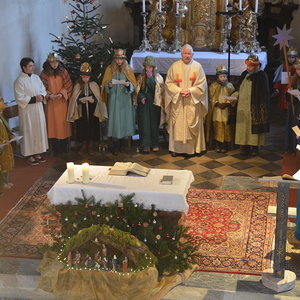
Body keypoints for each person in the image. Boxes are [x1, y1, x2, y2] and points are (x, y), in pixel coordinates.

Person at [164, 44, 208, 157]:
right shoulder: (174, 66)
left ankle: (193, 149)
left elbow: (202, 84)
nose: (187, 56)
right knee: (178, 124)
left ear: (192, 54)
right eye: (185, 53)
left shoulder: (198, 67)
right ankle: (176, 149)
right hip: (178, 101)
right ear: (181, 54)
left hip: (192, 101)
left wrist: (190, 91)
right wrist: (179, 91)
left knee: (192, 122)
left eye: (189, 53)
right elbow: (168, 83)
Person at [232, 54, 270, 156]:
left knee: (253, 126)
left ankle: (255, 147)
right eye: (248, 66)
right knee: (243, 126)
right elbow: (238, 88)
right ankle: (244, 146)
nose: (248, 68)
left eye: (251, 66)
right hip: (243, 105)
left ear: (256, 66)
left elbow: (265, 92)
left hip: (255, 105)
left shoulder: (261, 75)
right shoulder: (244, 74)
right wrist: (234, 97)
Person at [101, 49, 137, 156]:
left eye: (121, 59)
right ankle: (115, 145)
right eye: (117, 59)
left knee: (124, 121)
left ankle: (123, 144)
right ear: (114, 59)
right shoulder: (109, 69)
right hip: (114, 100)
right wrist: (109, 86)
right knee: (115, 121)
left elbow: (133, 85)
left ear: (124, 60)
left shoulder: (128, 69)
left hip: (125, 99)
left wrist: (128, 85)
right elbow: (105, 84)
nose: (119, 61)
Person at [14, 57, 48, 165]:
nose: (33, 68)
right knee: (29, 131)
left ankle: (37, 153)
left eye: (33, 65)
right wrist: (34, 99)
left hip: (38, 108)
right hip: (27, 110)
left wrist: (42, 96)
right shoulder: (19, 81)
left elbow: (43, 90)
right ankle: (29, 155)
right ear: (23, 67)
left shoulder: (36, 78)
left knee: (38, 129)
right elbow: (19, 97)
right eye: (30, 66)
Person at [67, 62, 108, 155]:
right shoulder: (78, 85)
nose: (85, 79)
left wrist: (94, 100)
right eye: (83, 77)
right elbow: (74, 99)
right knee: (82, 128)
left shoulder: (94, 84)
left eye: (87, 77)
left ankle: (90, 146)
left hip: (93, 111)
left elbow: (99, 98)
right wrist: (80, 101)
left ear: (90, 76)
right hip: (82, 111)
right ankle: (83, 145)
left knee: (92, 128)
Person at [40, 53, 73, 156]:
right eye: (52, 62)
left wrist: (61, 94)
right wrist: (49, 95)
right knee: (52, 125)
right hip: (50, 103)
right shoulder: (44, 74)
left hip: (62, 102)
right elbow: (41, 88)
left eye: (56, 62)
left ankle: (64, 147)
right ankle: (55, 148)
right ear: (48, 62)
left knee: (63, 125)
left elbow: (69, 85)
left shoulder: (63, 72)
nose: (54, 64)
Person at [135, 56, 164, 153]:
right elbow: (138, 91)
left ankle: (155, 143)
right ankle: (146, 144)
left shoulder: (158, 78)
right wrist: (141, 98)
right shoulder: (140, 78)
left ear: (153, 68)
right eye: (146, 67)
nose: (148, 69)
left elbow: (156, 90)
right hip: (144, 104)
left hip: (154, 104)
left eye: (150, 68)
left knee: (153, 123)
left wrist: (150, 78)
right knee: (144, 124)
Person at [205, 65, 235, 153]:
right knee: (216, 125)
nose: (223, 78)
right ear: (218, 77)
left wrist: (227, 103)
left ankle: (224, 143)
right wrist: (217, 103)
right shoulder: (213, 86)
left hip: (226, 109)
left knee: (226, 125)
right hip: (217, 110)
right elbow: (211, 98)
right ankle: (217, 143)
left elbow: (233, 96)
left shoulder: (230, 86)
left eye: (224, 76)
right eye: (221, 76)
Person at [284, 58, 300, 155]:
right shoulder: (294, 80)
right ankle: (291, 146)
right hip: (294, 107)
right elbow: (287, 97)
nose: (298, 71)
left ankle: (297, 148)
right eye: (297, 69)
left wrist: (298, 95)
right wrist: (289, 92)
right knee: (294, 126)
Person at [0, 97, 15, 194]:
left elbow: (6, 128)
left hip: (6, 145)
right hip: (2, 146)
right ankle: (2, 184)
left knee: (7, 162)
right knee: (2, 166)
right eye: (0, 110)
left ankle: (6, 181)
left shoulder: (1, 117)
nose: (1, 112)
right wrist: (3, 142)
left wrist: (11, 136)